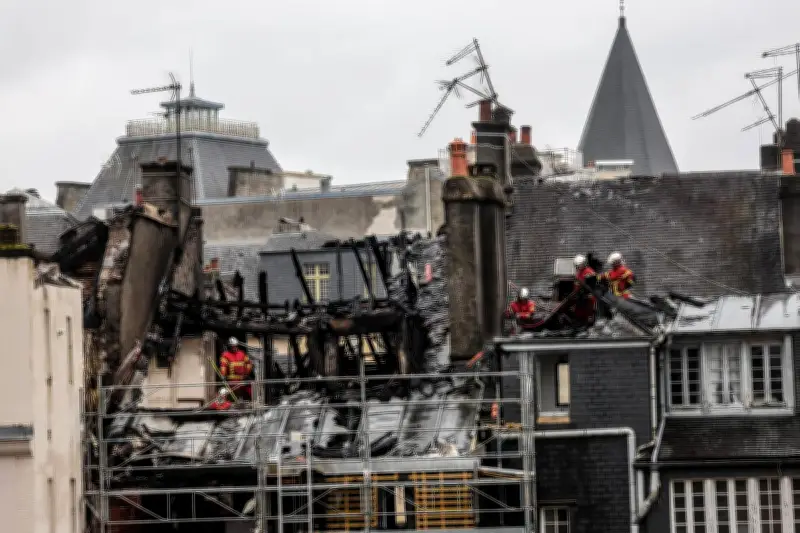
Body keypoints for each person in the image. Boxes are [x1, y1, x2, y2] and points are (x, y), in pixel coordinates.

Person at [572, 254, 597, 321]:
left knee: (588, 310)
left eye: (578, 265)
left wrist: (589, 293)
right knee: (579, 310)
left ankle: (589, 320)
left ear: (583, 264)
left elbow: (593, 286)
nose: (577, 267)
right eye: (576, 265)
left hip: (588, 295)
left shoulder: (590, 272)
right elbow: (577, 284)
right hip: (580, 295)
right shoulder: (579, 272)